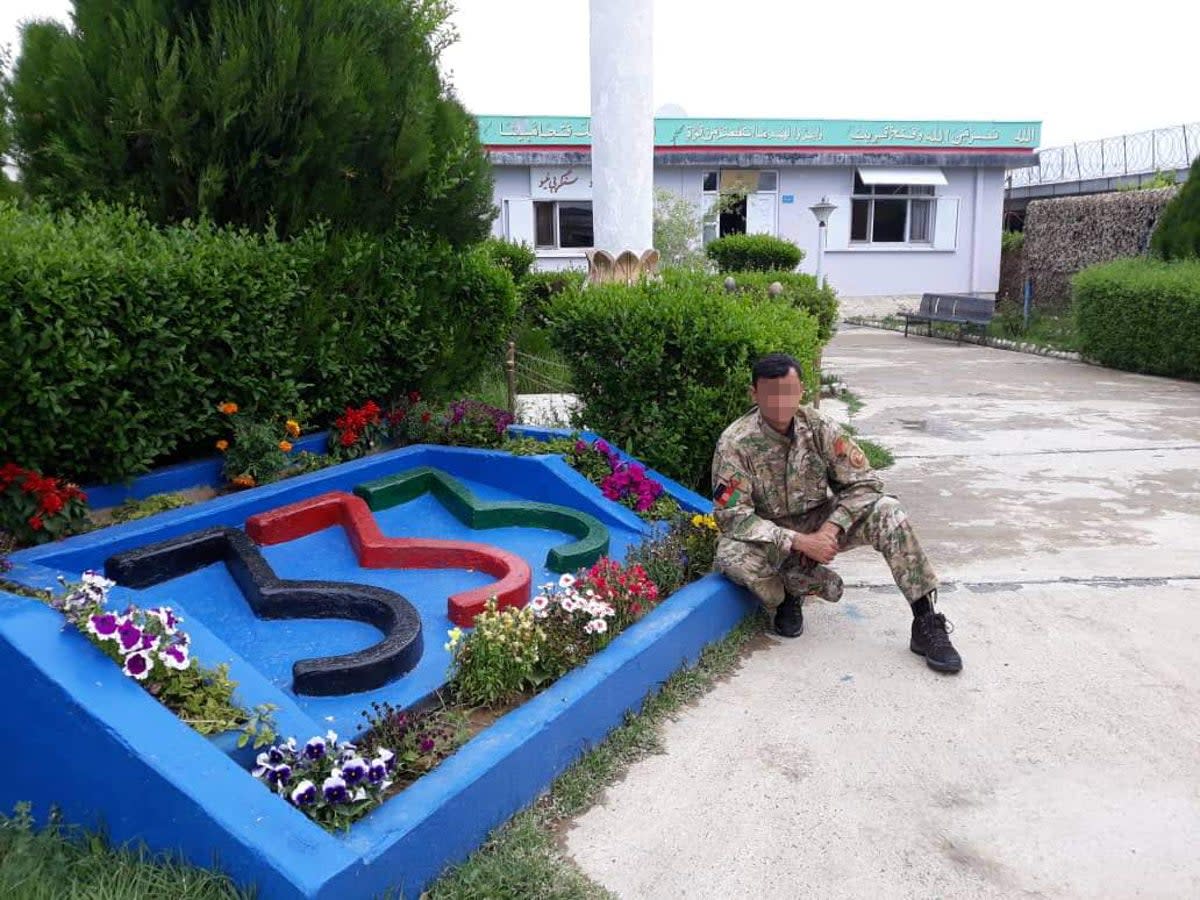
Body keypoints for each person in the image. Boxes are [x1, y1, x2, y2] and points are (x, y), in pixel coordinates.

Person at [711, 352, 962, 673]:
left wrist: (830, 530)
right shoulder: (735, 443)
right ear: (754, 394)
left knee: (889, 511)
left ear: (801, 390)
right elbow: (733, 516)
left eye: (788, 392)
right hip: (771, 534)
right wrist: (799, 542)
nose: (780, 402)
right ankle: (790, 593)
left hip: (820, 521)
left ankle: (926, 621)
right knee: (730, 556)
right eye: (770, 393)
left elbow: (866, 483)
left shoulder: (818, 427)